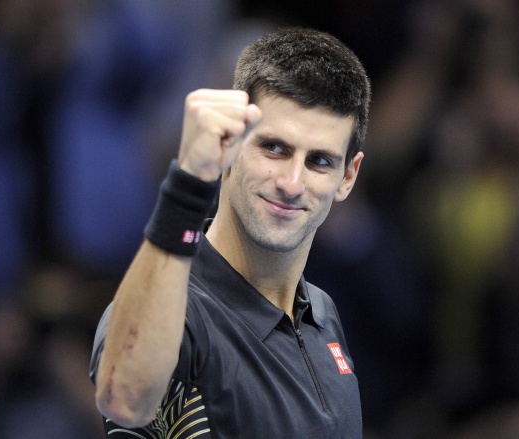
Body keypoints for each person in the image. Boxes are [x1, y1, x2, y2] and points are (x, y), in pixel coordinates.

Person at [89, 27, 371, 438]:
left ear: (347, 177)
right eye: (274, 147)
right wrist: (188, 183)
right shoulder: (176, 312)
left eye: (319, 161)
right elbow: (125, 400)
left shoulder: (323, 312)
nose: (292, 183)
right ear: (230, 145)